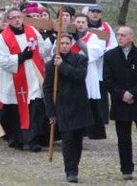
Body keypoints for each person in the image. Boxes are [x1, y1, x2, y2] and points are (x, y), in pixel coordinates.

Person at [103, 26, 137, 181]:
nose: (119, 37)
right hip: (120, 103)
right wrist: (122, 94)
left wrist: (133, 93)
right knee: (123, 138)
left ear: (131, 37)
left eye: (123, 35)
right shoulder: (110, 56)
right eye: (118, 35)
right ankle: (126, 169)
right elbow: (107, 80)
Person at [0, 8, 52, 152]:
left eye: (18, 17)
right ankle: (18, 139)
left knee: (34, 109)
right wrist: (21, 57)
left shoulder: (32, 30)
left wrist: (50, 38)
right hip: (15, 80)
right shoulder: (3, 37)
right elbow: (2, 60)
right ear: (8, 20)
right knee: (16, 112)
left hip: (33, 76)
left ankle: (34, 140)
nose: (16, 20)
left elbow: (42, 50)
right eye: (13, 17)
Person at [43, 33, 93, 184]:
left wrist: (62, 66)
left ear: (71, 44)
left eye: (66, 43)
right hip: (62, 107)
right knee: (68, 140)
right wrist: (51, 112)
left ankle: (74, 166)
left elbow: (79, 76)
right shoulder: (50, 65)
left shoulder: (81, 59)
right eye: (61, 43)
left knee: (77, 140)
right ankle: (70, 171)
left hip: (79, 105)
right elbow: (47, 89)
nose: (63, 46)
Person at [73, 14, 107, 140]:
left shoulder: (93, 37)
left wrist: (79, 41)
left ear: (87, 25)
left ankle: (91, 131)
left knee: (89, 101)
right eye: (78, 22)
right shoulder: (68, 36)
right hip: (72, 71)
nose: (80, 24)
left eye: (83, 22)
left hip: (88, 72)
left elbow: (94, 52)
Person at [86, 3, 117, 126]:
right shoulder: (83, 25)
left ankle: (101, 117)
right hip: (87, 62)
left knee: (101, 91)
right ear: (88, 13)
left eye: (97, 12)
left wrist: (105, 52)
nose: (95, 14)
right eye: (93, 11)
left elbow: (113, 44)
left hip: (102, 63)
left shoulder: (106, 27)